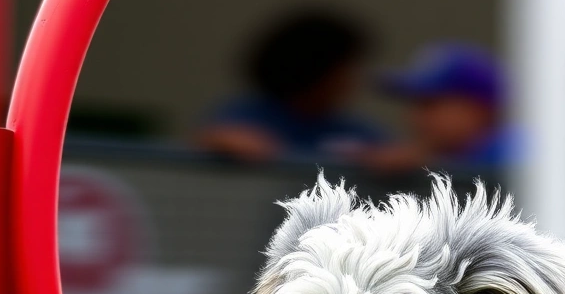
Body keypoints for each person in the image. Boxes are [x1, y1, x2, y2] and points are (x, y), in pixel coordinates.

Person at [196, 10, 392, 165]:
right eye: (345, 68)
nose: (354, 78)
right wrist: (224, 143)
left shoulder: (352, 129)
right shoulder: (245, 114)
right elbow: (209, 139)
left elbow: (393, 153)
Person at [376, 42, 511, 176]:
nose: (416, 117)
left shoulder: (513, 152)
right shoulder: (442, 154)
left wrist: (427, 164)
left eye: (429, 104)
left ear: (477, 109)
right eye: (413, 104)